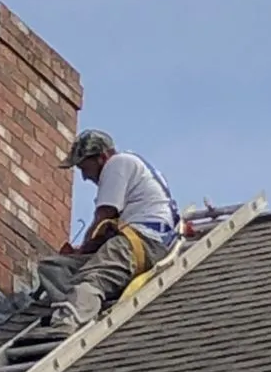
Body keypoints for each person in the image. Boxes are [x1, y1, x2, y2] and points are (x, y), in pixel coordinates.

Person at [36, 129, 180, 337]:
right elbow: (105, 230)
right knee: (53, 268)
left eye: (84, 167)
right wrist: (79, 252)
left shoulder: (118, 163)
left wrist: (83, 249)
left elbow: (103, 218)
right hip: (134, 240)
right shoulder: (129, 171)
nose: (85, 177)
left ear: (102, 157)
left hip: (144, 240)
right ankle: (74, 305)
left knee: (90, 278)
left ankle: (68, 322)